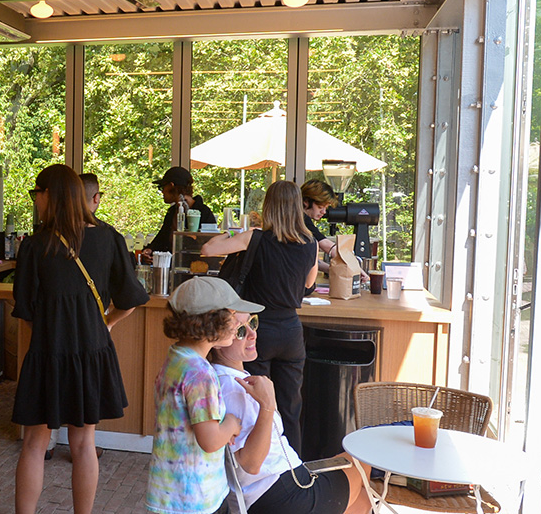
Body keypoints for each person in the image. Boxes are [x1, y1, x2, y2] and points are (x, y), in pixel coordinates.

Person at [13, 164, 150, 514]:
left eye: (36, 194)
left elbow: (25, 309)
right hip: (92, 352)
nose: (35, 201)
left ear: (49, 195)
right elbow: (132, 298)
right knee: (84, 443)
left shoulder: (35, 246)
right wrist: (105, 323)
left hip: (47, 353)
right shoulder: (109, 238)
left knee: (33, 443)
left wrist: (50, 330)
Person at [200, 181, 319, 455]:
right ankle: (292, 466)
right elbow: (308, 285)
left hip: (256, 330)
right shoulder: (310, 244)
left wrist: (237, 234)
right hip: (291, 331)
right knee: (290, 407)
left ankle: (258, 468)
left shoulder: (254, 238)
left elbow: (208, 249)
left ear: (269, 207)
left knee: (255, 403)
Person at [209, 321, 372, 514]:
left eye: (253, 322)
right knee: (364, 458)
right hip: (282, 494)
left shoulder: (218, 379)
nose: (253, 334)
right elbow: (251, 464)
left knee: (362, 499)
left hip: (270, 492)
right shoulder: (233, 389)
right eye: (241, 331)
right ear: (219, 340)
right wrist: (267, 406)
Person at [146, 277, 255, 514]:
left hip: (168, 493)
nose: (237, 322)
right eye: (232, 314)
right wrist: (232, 423)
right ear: (211, 321)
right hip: (195, 499)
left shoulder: (176, 358)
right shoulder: (201, 373)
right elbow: (210, 440)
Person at [142, 166, 216, 264]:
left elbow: (210, 245)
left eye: (162, 187)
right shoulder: (172, 212)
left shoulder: (204, 212)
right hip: (173, 271)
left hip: (196, 271)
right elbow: (161, 240)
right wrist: (150, 250)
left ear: (171, 186)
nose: (162, 192)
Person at [300, 179, 339, 273]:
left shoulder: (298, 217)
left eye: (326, 208)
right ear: (306, 201)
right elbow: (325, 244)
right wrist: (354, 266)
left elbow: (311, 261)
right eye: (320, 207)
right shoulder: (302, 219)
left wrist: (333, 270)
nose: (324, 212)